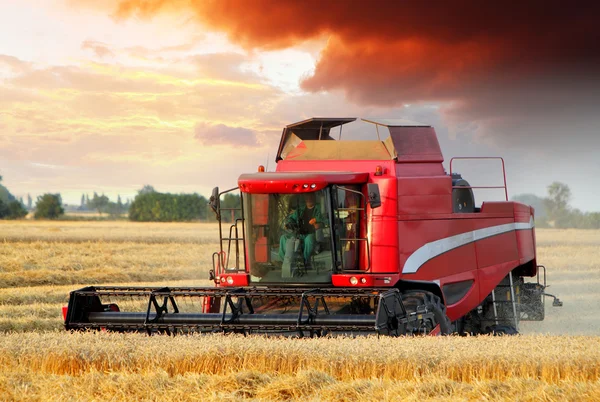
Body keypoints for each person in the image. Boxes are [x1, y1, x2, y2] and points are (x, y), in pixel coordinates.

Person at [278, 192, 323, 266]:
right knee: (283, 238)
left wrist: (316, 221)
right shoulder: (301, 209)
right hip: (299, 234)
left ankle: (305, 261)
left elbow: (325, 219)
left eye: (311, 196)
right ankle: (282, 262)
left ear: (314, 197)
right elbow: (292, 218)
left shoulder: (320, 208)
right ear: (305, 198)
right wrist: (288, 223)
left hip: (312, 234)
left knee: (309, 239)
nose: (309, 199)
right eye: (307, 197)